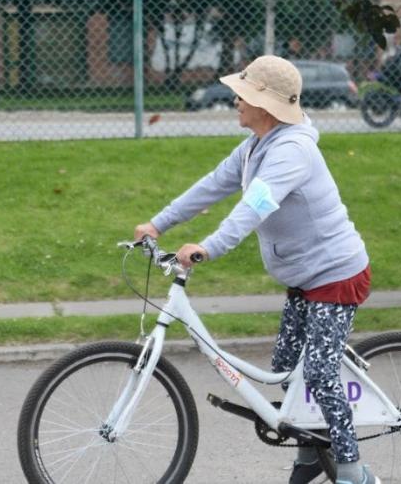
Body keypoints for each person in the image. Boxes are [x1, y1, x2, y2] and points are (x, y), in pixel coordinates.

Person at [134, 56, 378, 484]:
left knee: (320, 374)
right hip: (304, 277)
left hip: (337, 274)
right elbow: (212, 184)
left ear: (265, 105)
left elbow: (255, 207)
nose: (234, 100)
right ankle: (310, 457)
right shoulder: (254, 147)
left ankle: (355, 473)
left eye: (242, 94)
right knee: (287, 368)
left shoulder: (292, 151)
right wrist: (159, 223)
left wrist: (207, 248)